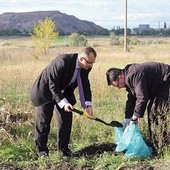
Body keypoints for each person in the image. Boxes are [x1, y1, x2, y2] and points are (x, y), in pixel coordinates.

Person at [30, 47, 97, 157]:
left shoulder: (86, 67)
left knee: (66, 120)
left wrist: (87, 104)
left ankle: (64, 150)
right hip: (45, 92)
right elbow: (52, 85)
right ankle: (41, 151)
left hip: (63, 91)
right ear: (81, 59)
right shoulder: (62, 62)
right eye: (89, 62)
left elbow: (85, 85)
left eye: (93, 62)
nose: (91, 65)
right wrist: (63, 102)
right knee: (43, 122)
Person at [106, 62, 170, 151]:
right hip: (158, 88)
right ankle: (155, 142)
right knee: (152, 111)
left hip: (166, 80)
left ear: (120, 77)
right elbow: (131, 100)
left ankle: (162, 144)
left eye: (117, 85)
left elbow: (142, 98)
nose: (119, 88)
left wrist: (135, 118)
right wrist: (127, 120)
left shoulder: (134, 75)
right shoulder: (129, 76)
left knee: (157, 111)